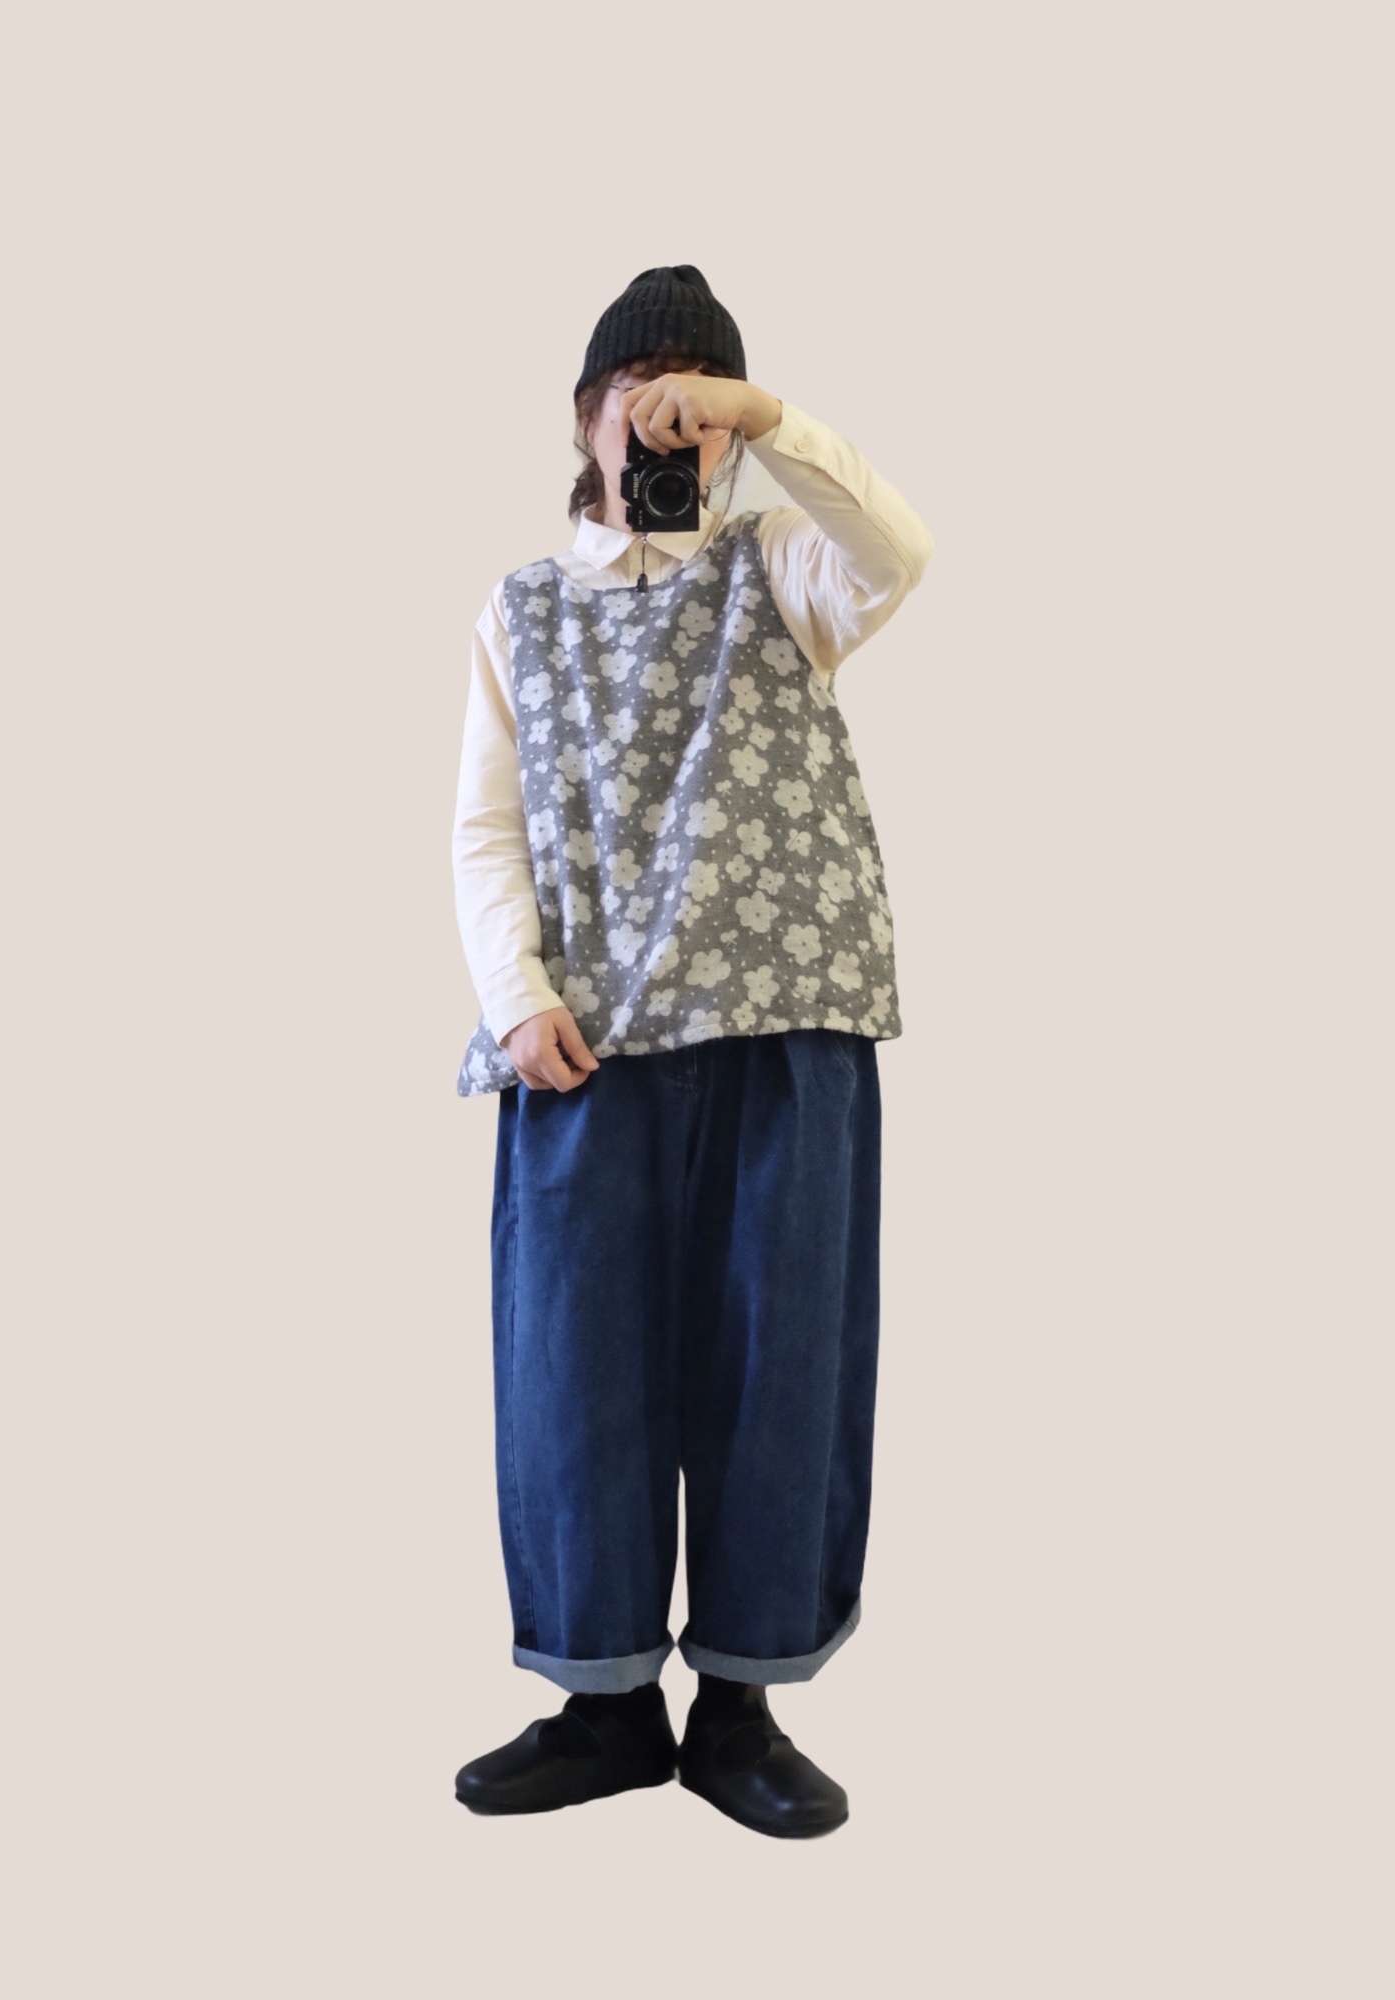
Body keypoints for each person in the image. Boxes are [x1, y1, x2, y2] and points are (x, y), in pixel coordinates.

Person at [449, 265, 933, 1838]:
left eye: (691, 398)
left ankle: (741, 1706)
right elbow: (486, 825)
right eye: (635, 390)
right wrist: (515, 994)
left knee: (778, 1366)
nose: (662, 423)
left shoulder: (785, 568)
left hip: (783, 1025)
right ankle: (601, 1706)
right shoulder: (521, 608)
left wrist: (769, 418)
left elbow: (902, 548)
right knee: (571, 1371)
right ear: (583, 416)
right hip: (585, 1044)